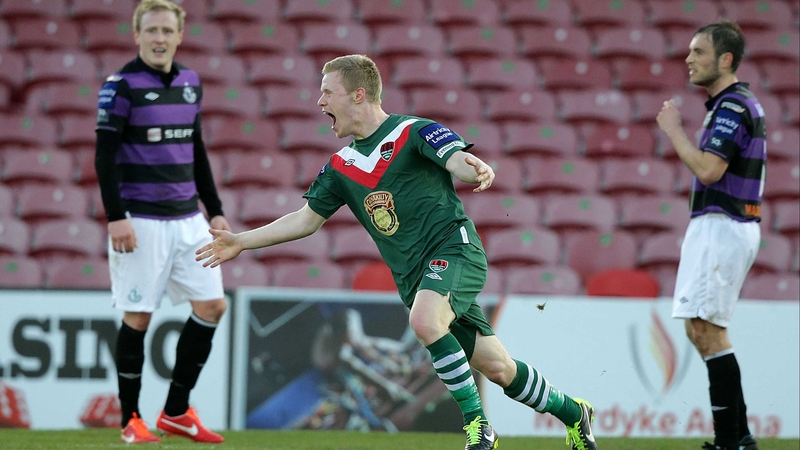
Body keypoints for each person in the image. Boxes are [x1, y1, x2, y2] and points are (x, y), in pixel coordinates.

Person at [196, 54, 598, 450]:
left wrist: (474, 168)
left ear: (358, 95)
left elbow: (456, 160)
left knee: (424, 321)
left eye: (326, 93)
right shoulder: (340, 166)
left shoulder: (414, 131)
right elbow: (305, 220)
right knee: (499, 368)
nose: (319, 102)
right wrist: (241, 241)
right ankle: (574, 413)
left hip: (454, 251)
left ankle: (479, 429)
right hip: (415, 279)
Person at [95, 0, 229, 444]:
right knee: (138, 316)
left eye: (166, 31)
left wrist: (216, 210)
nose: (159, 38)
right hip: (141, 220)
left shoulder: (191, 83)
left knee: (213, 306)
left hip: (189, 218)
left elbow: (197, 151)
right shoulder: (120, 86)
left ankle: (175, 411)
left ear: (179, 35)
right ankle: (130, 420)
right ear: (136, 34)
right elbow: (104, 155)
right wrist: (116, 217)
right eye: (151, 30)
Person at [657, 21, 765, 450]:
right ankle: (739, 439)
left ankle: (730, 442)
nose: (689, 59)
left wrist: (673, 130)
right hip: (721, 225)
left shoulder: (733, 107)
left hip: (724, 224)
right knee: (700, 330)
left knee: (709, 332)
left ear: (725, 59)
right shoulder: (730, 105)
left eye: (698, 52)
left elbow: (709, 169)